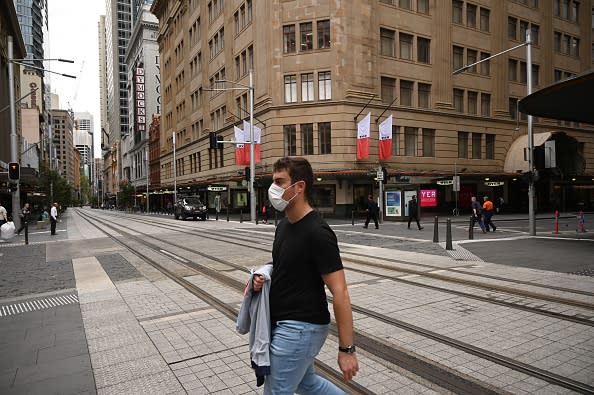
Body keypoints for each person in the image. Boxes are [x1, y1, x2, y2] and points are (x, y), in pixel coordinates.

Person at [253, 157, 359, 394]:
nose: (273, 189)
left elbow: (340, 291)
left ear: (299, 187)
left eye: (280, 182)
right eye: (273, 182)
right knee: (308, 385)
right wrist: (263, 276)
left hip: (300, 329)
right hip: (285, 324)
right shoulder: (283, 226)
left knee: (276, 391)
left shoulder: (318, 232)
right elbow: (285, 264)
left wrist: (347, 349)